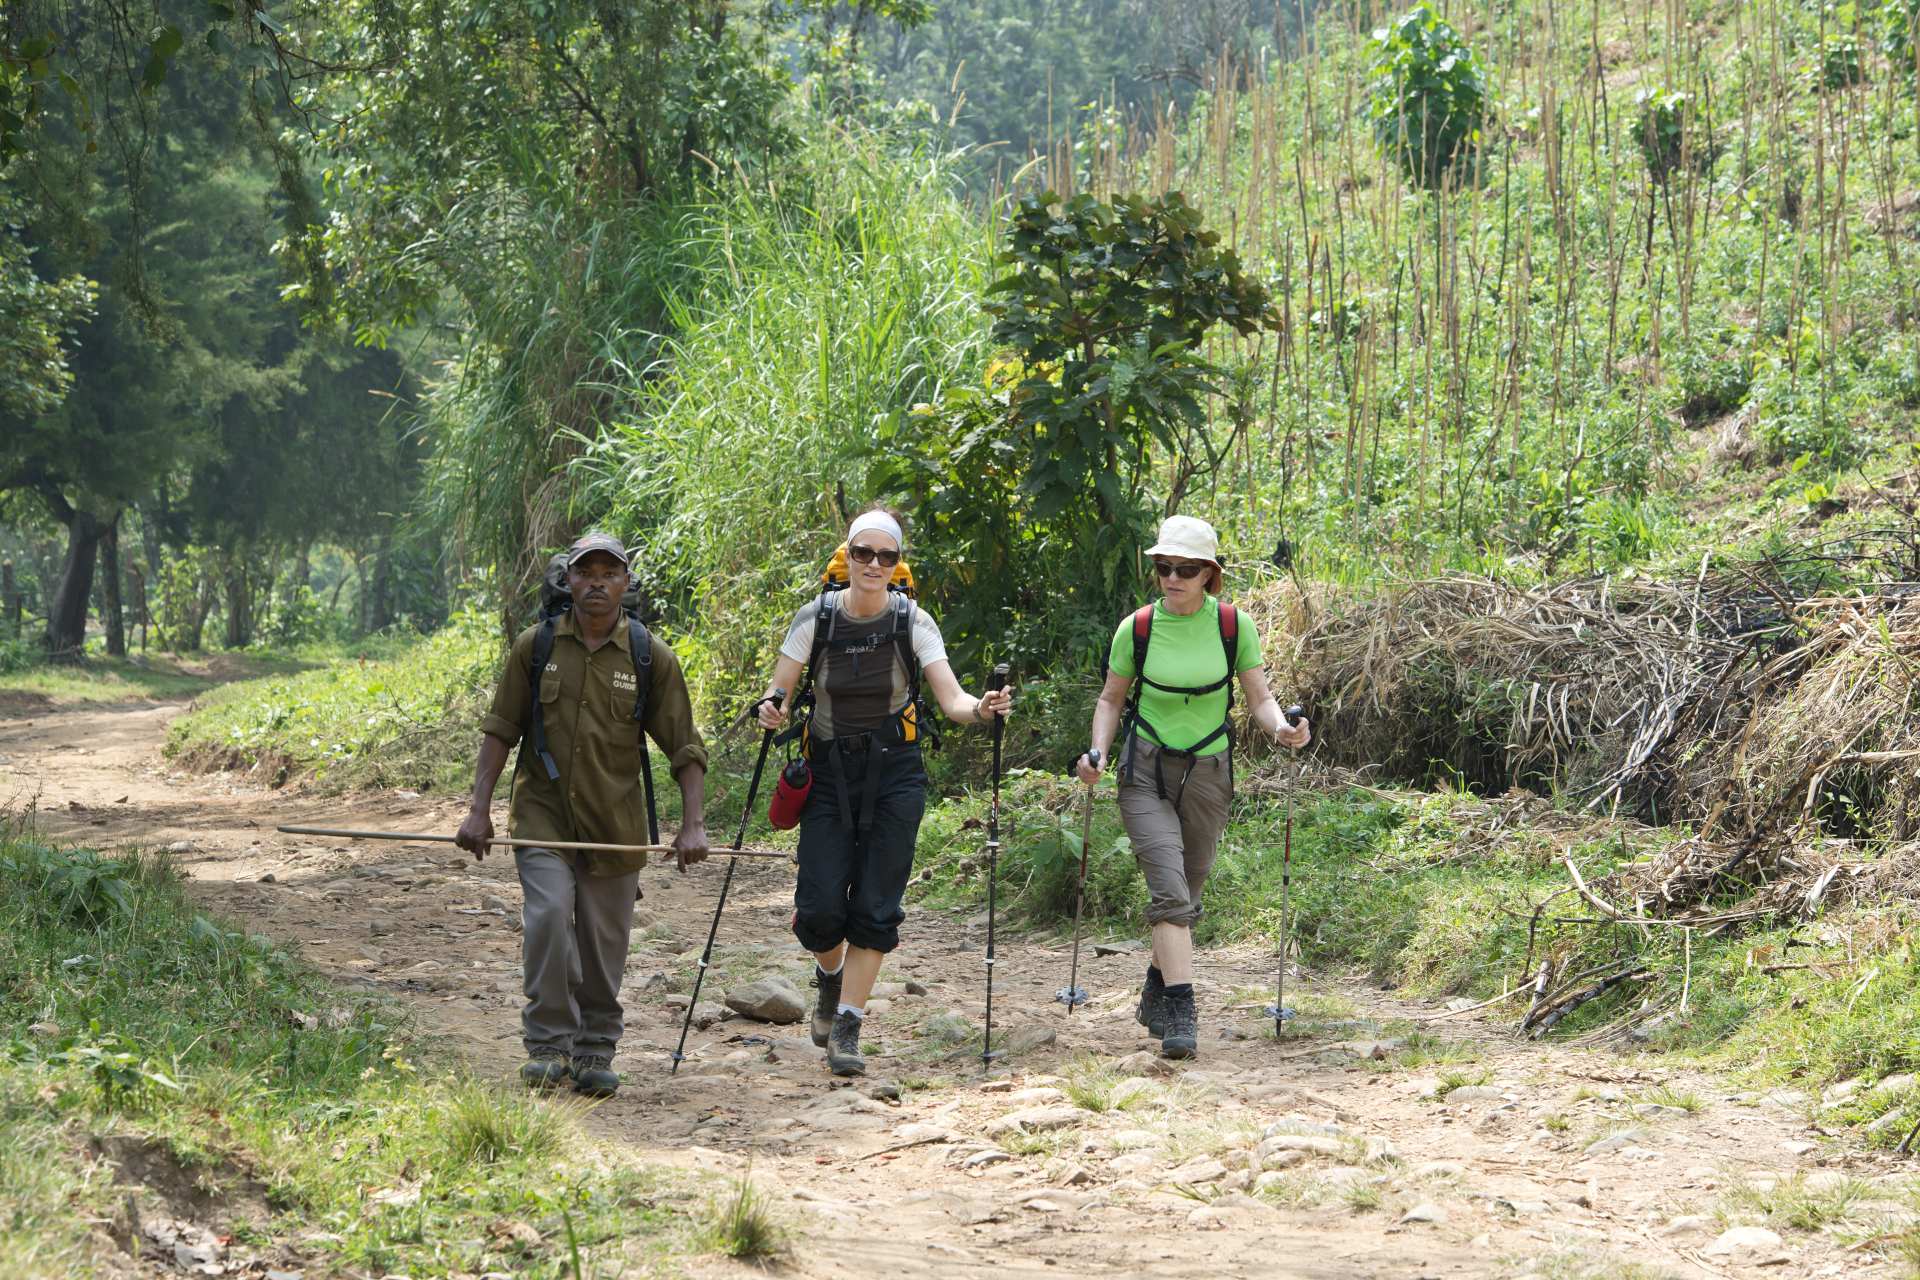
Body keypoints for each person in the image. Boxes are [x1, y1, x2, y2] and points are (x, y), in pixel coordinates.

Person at [755, 508, 1013, 1077]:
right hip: (827, 772)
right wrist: (772, 709)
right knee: (820, 909)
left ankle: (847, 1024)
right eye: (863, 554)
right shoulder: (815, 619)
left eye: (886, 556)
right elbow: (781, 690)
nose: (874, 565)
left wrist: (983, 708)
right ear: (847, 556)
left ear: (898, 563)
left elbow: (952, 701)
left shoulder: (912, 622)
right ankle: (829, 976)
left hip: (896, 772)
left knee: (875, 905)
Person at [455, 532, 711, 1096]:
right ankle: (547, 1043)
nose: (596, 582)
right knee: (548, 918)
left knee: (601, 945)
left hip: (615, 826)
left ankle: (595, 1048)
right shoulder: (536, 647)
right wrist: (478, 810)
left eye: (609, 573)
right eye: (585, 572)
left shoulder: (650, 656)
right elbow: (501, 730)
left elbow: (686, 750)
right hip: (543, 817)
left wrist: (691, 825)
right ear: (566, 581)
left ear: (626, 583)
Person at [1073, 515, 1311, 1058]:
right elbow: (1111, 699)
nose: (1172, 577)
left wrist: (1281, 730)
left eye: (1184, 568)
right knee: (1169, 891)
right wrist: (1098, 754)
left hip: (1208, 772)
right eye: (1163, 567)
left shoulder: (1233, 626)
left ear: (1209, 573)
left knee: (1190, 890)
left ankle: (1155, 990)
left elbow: (1259, 698)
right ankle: (1182, 1007)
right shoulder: (1137, 628)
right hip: (1144, 771)